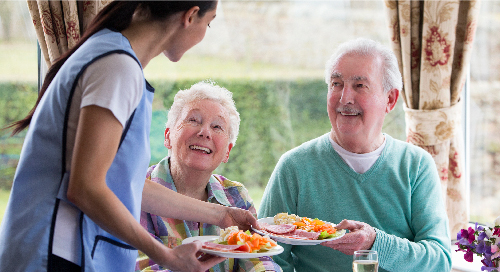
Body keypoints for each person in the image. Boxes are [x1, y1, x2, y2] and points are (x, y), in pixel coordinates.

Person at [0, 2, 258, 272]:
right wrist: (168, 256)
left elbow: (125, 183)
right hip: (55, 253)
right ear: (190, 16)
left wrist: (221, 214)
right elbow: (86, 187)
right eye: (209, 22)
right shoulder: (117, 67)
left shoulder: (113, 56)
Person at [258, 38, 452, 272]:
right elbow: (265, 256)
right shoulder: (294, 167)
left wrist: (374, 243)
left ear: (390, 99)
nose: (344, 98)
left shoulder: (416, 165)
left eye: (359, 86)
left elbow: (440, 259)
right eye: (336, 84)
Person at [135, 81, 282, 272]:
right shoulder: (137, 192)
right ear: (167, 136)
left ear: (227, 152)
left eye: (217, 127)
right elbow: (141, 267)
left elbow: (259, 258)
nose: (204, 132)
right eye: (193, 120)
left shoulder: (236, 196)